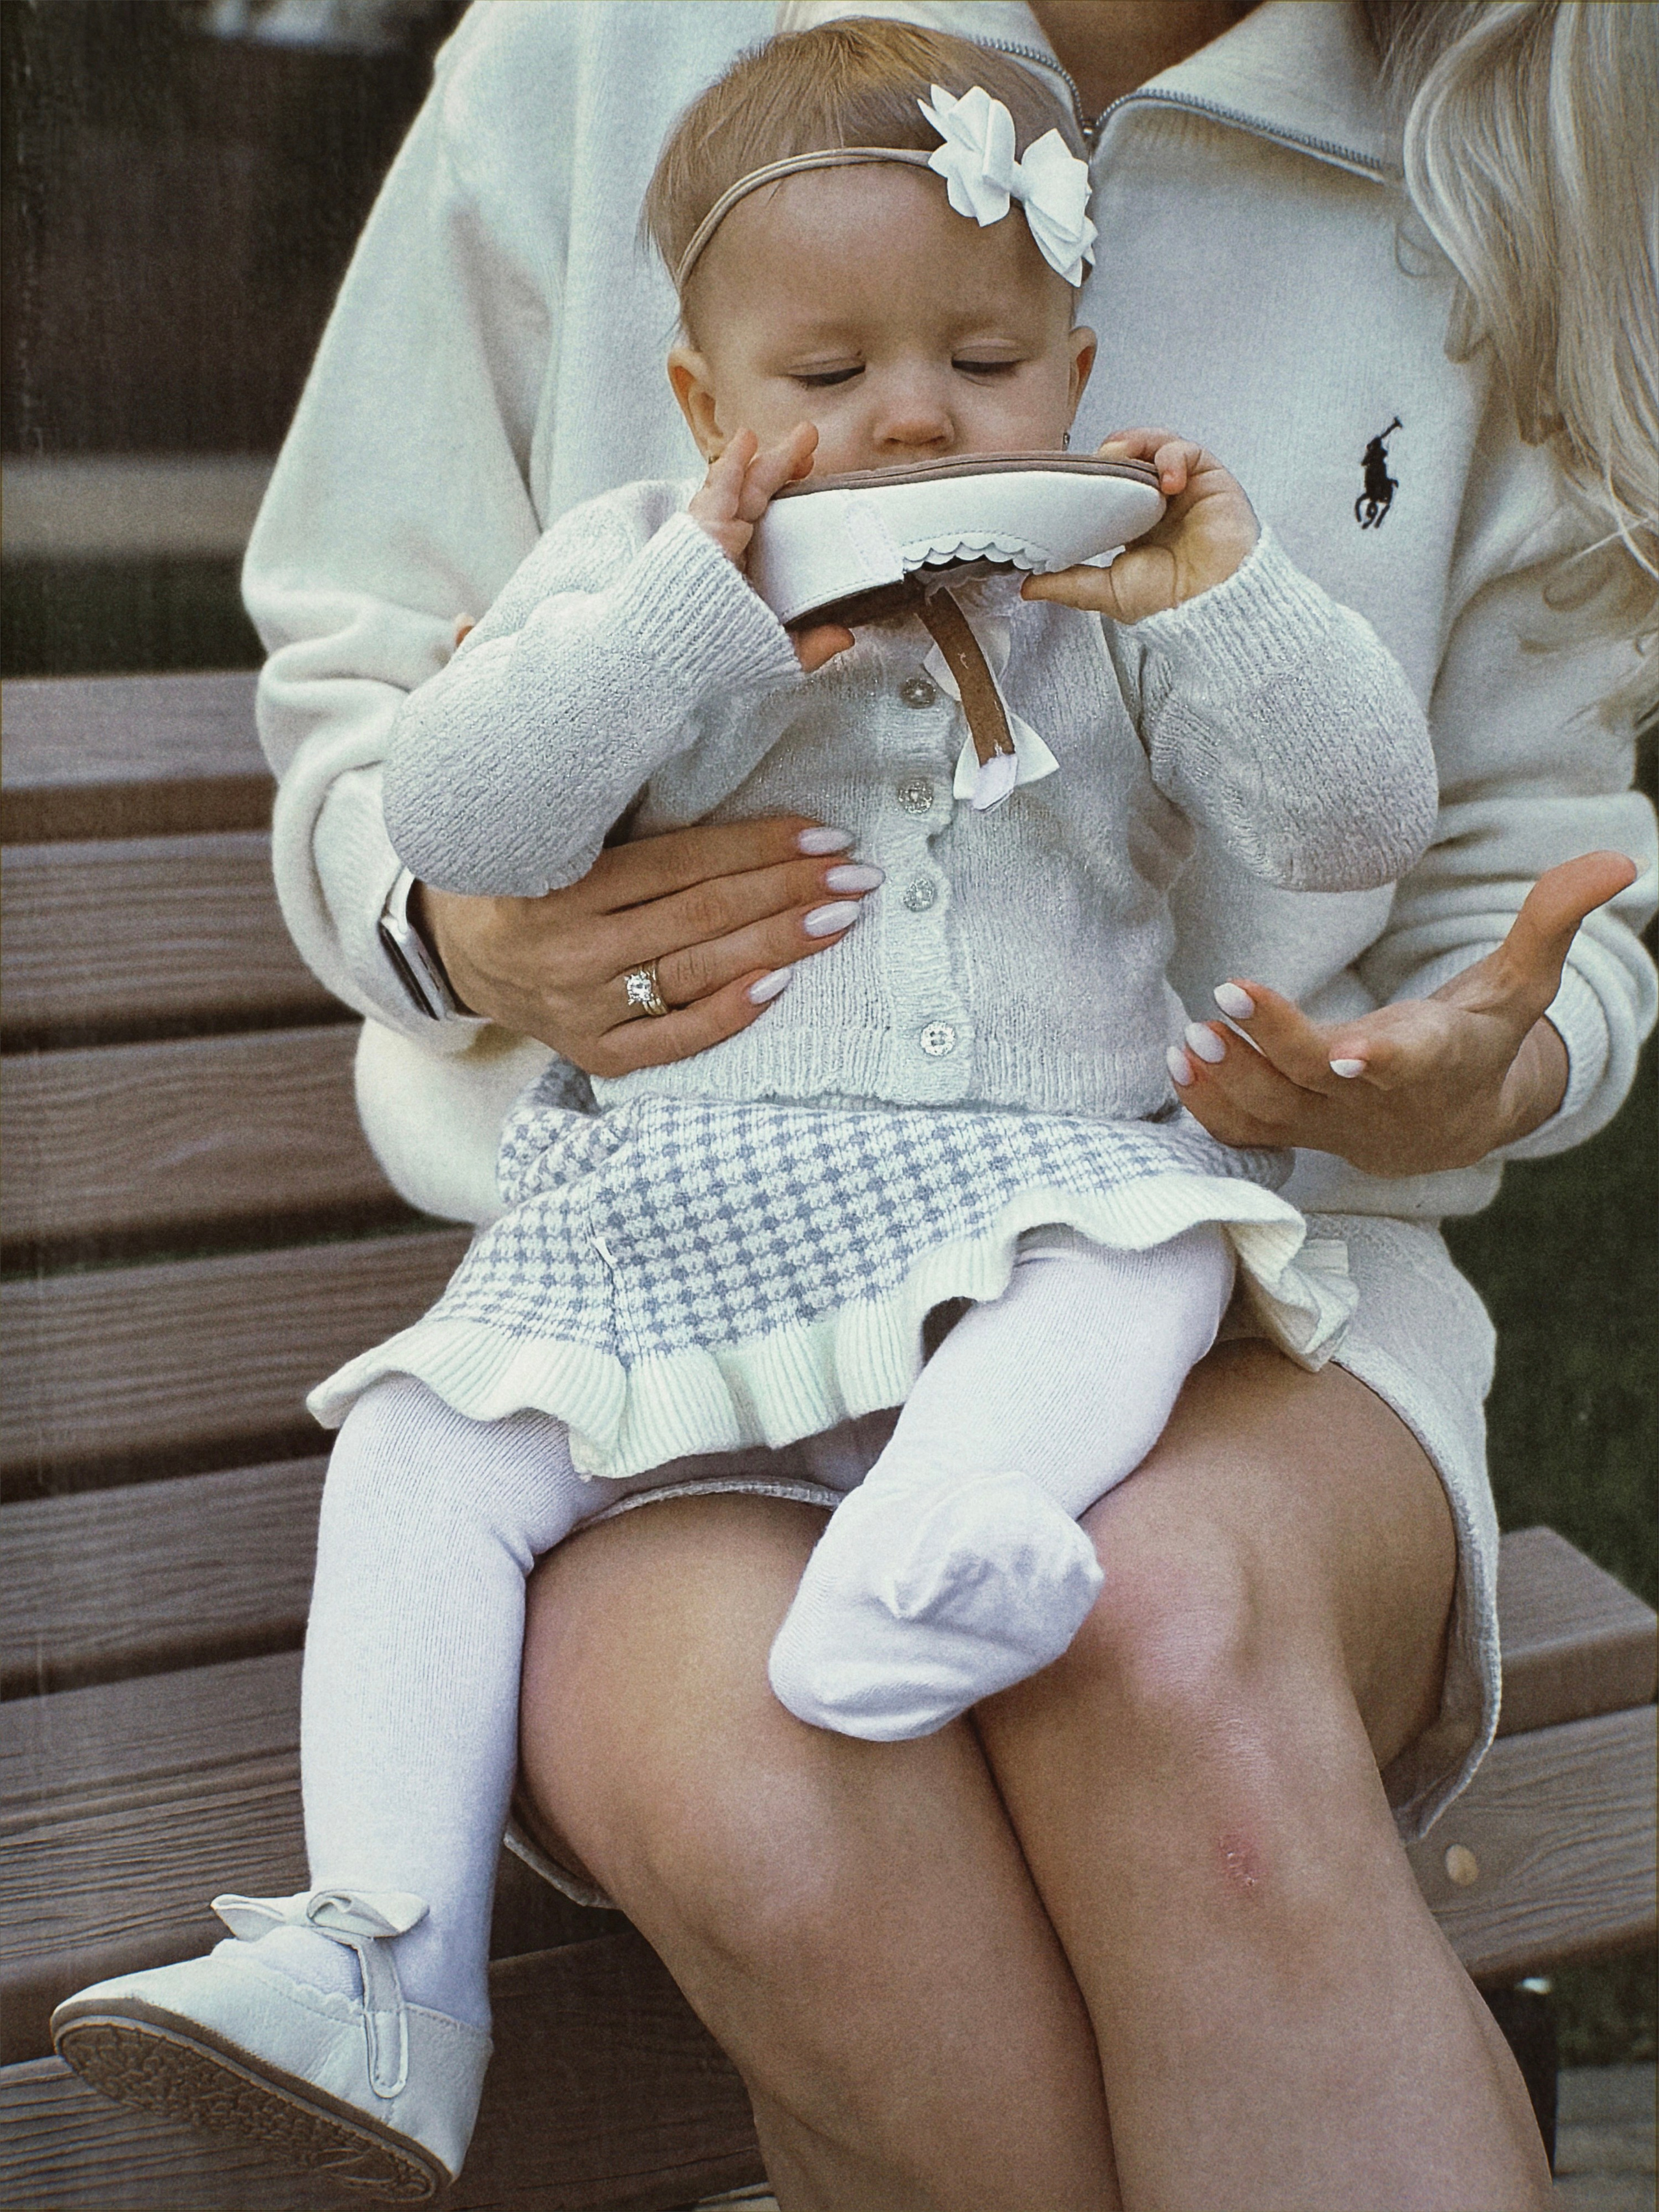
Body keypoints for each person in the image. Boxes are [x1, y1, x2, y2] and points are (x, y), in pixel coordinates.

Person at [64, 3, 1659, 2206]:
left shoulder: (1472, 172)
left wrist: (1490, 1056)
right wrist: (478, 919)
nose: (913, 417)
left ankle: (960, 1542)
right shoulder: (608, 96)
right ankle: (373, 1962)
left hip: (1185, 1247)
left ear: (1071, 366)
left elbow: (1464, 846)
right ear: (708, 393)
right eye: (830, 373)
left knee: (1156, 1635)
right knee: (769, 1798)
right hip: (669, 1291)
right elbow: (388, 716)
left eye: (982, 364)